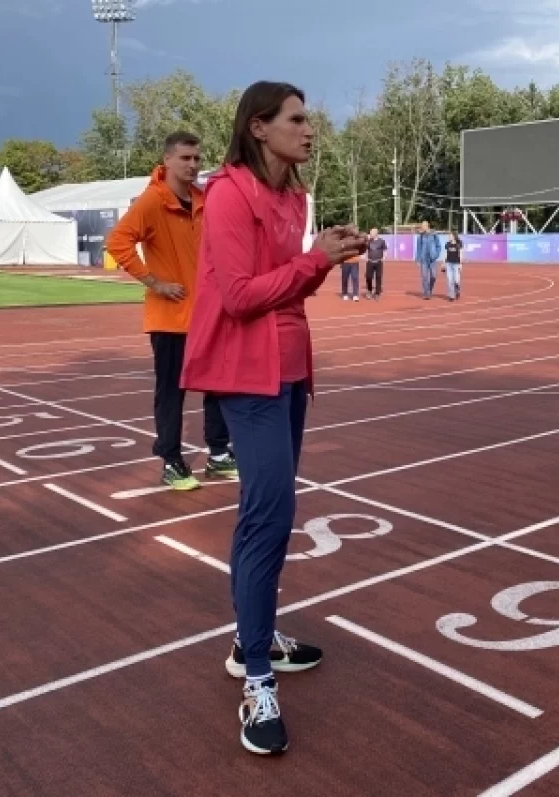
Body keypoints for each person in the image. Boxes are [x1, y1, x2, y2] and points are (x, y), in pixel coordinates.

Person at [180, 81, 367, 756]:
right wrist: (314, 261)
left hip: (287, 370)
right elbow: (235, 296)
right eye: (297, 119)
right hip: (244, 370)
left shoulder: (293, 197)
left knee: (266, 512)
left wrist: (324, 260)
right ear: (260, 128)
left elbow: (288, 281)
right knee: (269, 513)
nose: (309, 129)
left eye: (309, 118)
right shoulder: (229, 193)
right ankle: (257, 676)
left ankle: (248, 640)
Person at [106, 131, 237, 491]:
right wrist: (155, 283)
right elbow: (117, 241)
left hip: (208, 314)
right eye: (185, 158)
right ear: (167, 160)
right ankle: (171, 461)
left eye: (197, 158)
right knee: (171, 392)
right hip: (170, 319)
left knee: (217, 387)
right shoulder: (151, 201)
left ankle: (219, 454)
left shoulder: (203, 198)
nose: (193, 165)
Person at [415, 221, 441, 300]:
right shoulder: (420, 237)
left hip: (432, 259)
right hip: (424, 259)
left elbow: (438, 246)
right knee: (424, 277)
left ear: (427, 226)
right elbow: (418, 249)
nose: (422, 228)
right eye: (422, 226)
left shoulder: (434, 235)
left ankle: (429, 289)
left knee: (433, 276)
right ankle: (427, 294)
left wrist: (436, 255)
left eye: (424, 226)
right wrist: (418, 260)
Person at [364, 228, 386, 299]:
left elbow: (385, 249)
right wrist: (365, 257)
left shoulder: (381, 241)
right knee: (368, 277)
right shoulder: (368, 241)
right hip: (370, 261)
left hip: (378, 262)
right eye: (370, 233)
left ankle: (377, 293)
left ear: (376, 233)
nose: (370, 234)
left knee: (378, 277)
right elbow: (366, 250)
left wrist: (384, 258)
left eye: (371, 233)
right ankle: (369, 291)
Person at [443, 231, 463, 301]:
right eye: (449, 236)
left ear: (454, 236)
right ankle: (451, 296)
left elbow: (460, 254)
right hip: (449, 263)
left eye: (450, 236)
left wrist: (461, 264)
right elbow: (445, 254)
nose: (449, 237)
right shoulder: (447, 244)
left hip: (456, 264)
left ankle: (457, 289)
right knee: (449, 280)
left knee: (456, 280)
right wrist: (443, 263)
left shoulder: (459, 244)